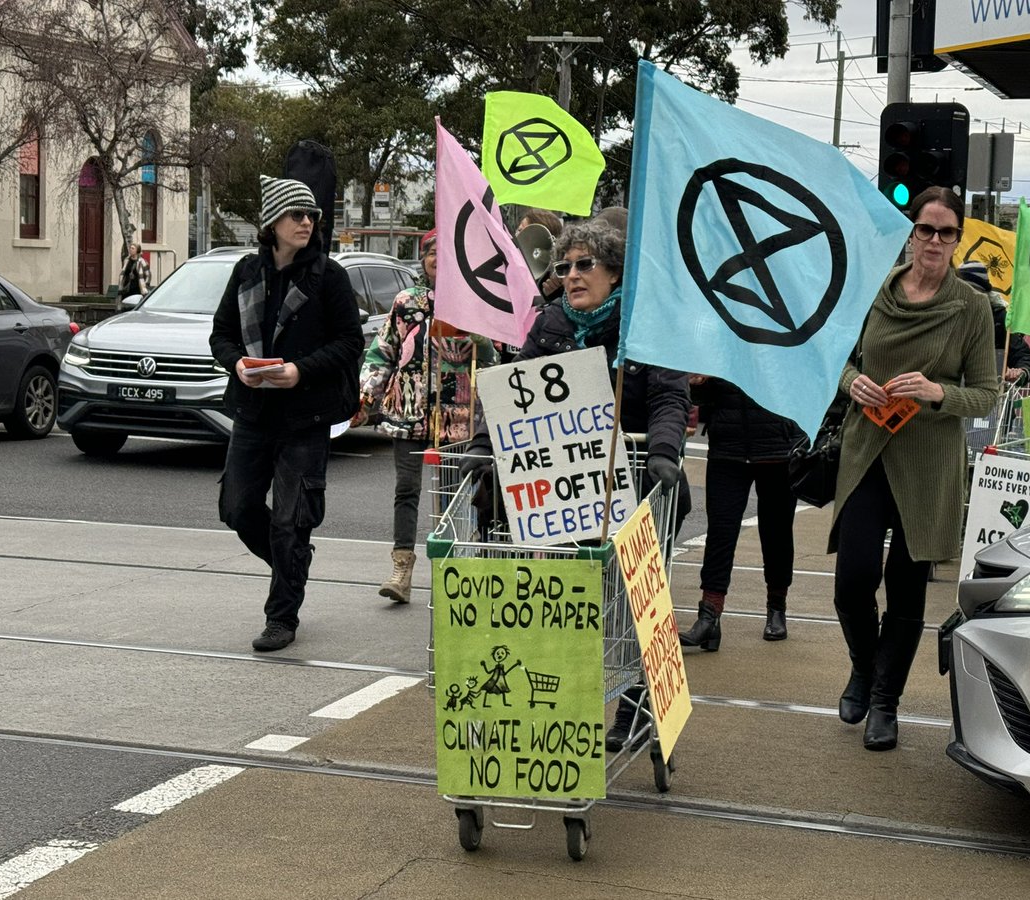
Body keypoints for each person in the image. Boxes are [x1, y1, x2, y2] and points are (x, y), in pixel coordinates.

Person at [464, 219, 692, 753]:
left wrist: (662, 451)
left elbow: (668, 398)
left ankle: (636, 704)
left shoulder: (645, 325)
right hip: (560, 494)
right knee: (564, 600)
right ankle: (561, 703)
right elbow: (513, 391)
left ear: (614, 273)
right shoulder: (548, 325)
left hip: (634, 483)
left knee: (629, 600)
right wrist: (483, 441)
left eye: (584, 265)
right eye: (564, 267)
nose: (571, 276)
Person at [831, 186, 997, 751]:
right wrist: (854, 383)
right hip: (867, 450)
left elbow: (986, 395)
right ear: (912, 233)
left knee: (906, 589)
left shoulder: (972, 309)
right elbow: (839, 356)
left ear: (957, 240)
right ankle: (863, 663)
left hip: (927, 462)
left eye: (946, 232)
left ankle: (884, 701)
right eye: (925, 229)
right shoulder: (874, 291)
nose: (933, 241)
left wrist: (935, 392)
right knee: (853, 580)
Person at [210, 175, 363, 652]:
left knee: (290, 522)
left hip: (306, 416)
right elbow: (221, 335)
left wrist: (300, 371)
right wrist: (237, 363)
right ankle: (293, 564)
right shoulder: (246, 272)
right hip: (254, 411)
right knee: (236, 508)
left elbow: (350, 343)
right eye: (297, 214)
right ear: (271, 221)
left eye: (312, 215)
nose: (307, 222)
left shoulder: (328, 276)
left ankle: (281, 617)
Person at [352, 228, 496, 604]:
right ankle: (402, 569)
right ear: (423, 259)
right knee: (407, 490)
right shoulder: (406, 302)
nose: (436, 259)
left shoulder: (473, 302)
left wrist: (481, 341)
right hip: (408, 411)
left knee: (453, 495)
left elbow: (496, 355)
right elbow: (382, 352)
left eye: (445, 254)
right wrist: (366, 396)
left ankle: (454, 572)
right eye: (431, 252)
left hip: (457, 416)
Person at [679, 377, 803, 651]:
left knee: (777, 532)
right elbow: (702, 396)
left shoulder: (790, 334)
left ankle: (776, 608)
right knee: (720, 534)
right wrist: (700, 383)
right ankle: (709, 615)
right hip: (728, 446)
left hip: (777, 447)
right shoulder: (724, 333)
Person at [956, 260, 1030, 384]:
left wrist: (1020, 372)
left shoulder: (999, 318)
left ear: (984, 294)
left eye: (972, 292)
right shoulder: (944, 315)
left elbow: (1024, 356)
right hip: (949, 393)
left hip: (990, 395)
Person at [117, 243, 150, 309]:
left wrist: (145, 285)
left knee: (135, 306)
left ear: (137, 250)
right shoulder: (126, 260)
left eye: (133, 248)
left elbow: (147, 275)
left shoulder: (142, 261)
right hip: (127, 287)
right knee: (125, 305)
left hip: (137, 287)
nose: (130, 250)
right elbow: (123, 273)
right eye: (130, 248)